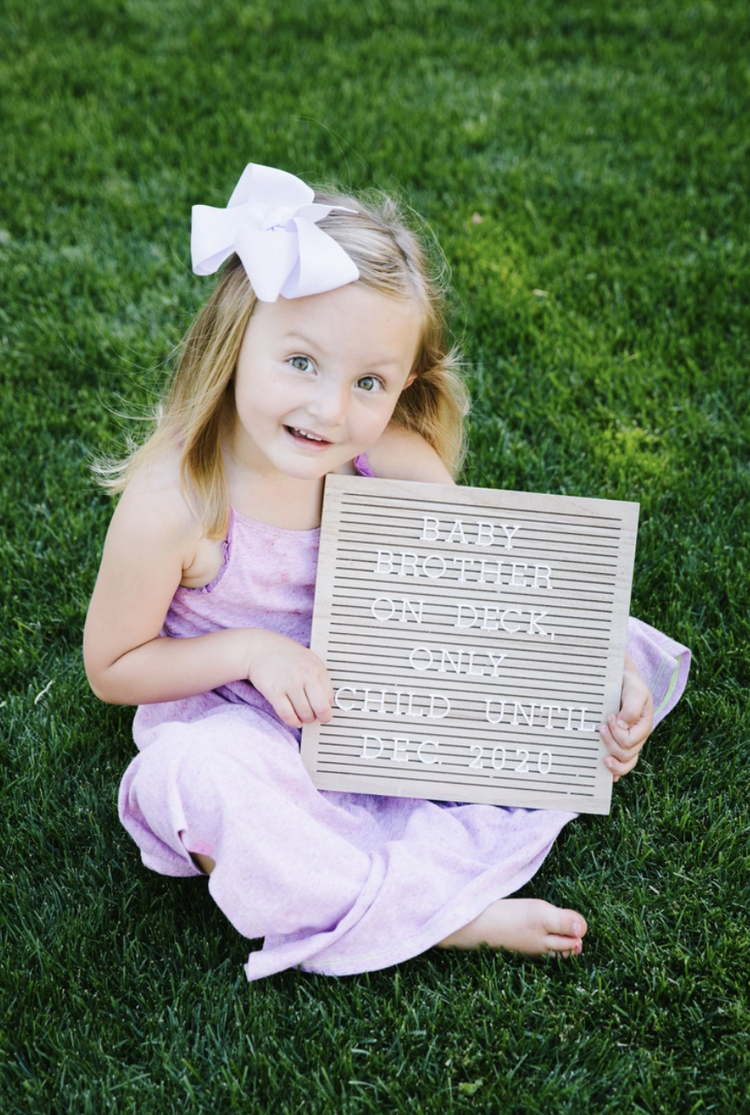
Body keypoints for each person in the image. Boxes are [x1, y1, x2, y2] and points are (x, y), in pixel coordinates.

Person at [84, 163, 690, 980]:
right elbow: (114, 666)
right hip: (248, 723)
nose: (330, 410)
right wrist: (253, 650)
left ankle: (406, 857)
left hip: (393, 696)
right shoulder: (179, 501)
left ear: (403, 383)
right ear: (236, 341)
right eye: (300, 362)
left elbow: (482, 589)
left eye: (367, 381)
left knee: (598, 638)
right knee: (189, 782)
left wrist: (598, 681)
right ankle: (438, 914)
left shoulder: (387, 460)